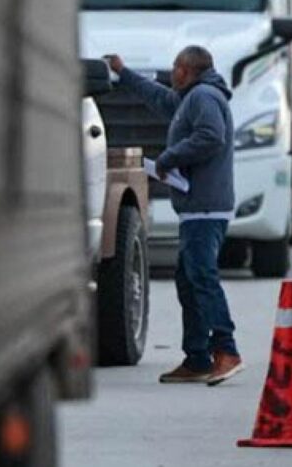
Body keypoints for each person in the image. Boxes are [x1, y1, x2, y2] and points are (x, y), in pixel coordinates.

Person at [104, 47, 244, 386]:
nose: (171, 72)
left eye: (176, 67)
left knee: (202, 278)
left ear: (188, 69)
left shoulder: (203, 97)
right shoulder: (189, 98)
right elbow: (157, 97)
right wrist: (123, 73)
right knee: (189, 280)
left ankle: (226, 350)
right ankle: (197, 358)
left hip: (206, 206)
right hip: (197, 206)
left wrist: (169, 158)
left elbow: (211, 136)